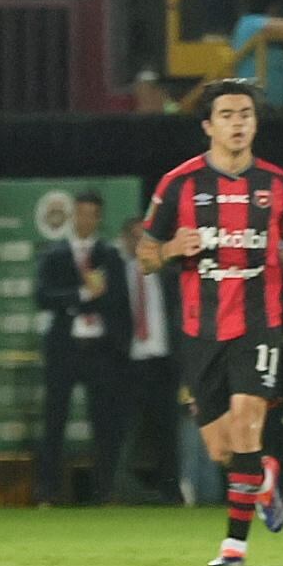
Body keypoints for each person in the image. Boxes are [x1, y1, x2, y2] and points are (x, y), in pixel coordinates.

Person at [138, 79, 283, 566]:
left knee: (247, 422)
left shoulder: (280, 185)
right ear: (208, 125)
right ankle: (262, 477)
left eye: (245, 113)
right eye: (227, 114)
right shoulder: (178, 184)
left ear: (255, 122)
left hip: (260, 324)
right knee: (224, 450)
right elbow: (143, 256)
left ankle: (234, 545)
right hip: (201, 330)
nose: (238, 122)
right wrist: (172, 249)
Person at [34, 191, 131, 505]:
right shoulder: (54, 254)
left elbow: (120, 304)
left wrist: (120, 344)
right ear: (74, 215)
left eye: (92, 214)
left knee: (105, 423)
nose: (85, 220)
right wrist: (81, 294)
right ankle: (47, 492)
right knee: (54, 420)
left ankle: (105, 491)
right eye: (81, 214)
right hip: (65, 349)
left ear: (99, 218)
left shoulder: (110, 256)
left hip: (100, 349)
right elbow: (42, 296)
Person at [117, 216, 180, 504]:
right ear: (125, 241)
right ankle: (119, 491)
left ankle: (171, 492)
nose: (140, 242)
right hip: (129, 363)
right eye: (134, 236)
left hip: (163, 362)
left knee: (167, 430)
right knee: (124, 429)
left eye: (145, 236)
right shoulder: (116, 273)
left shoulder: (170, 274)